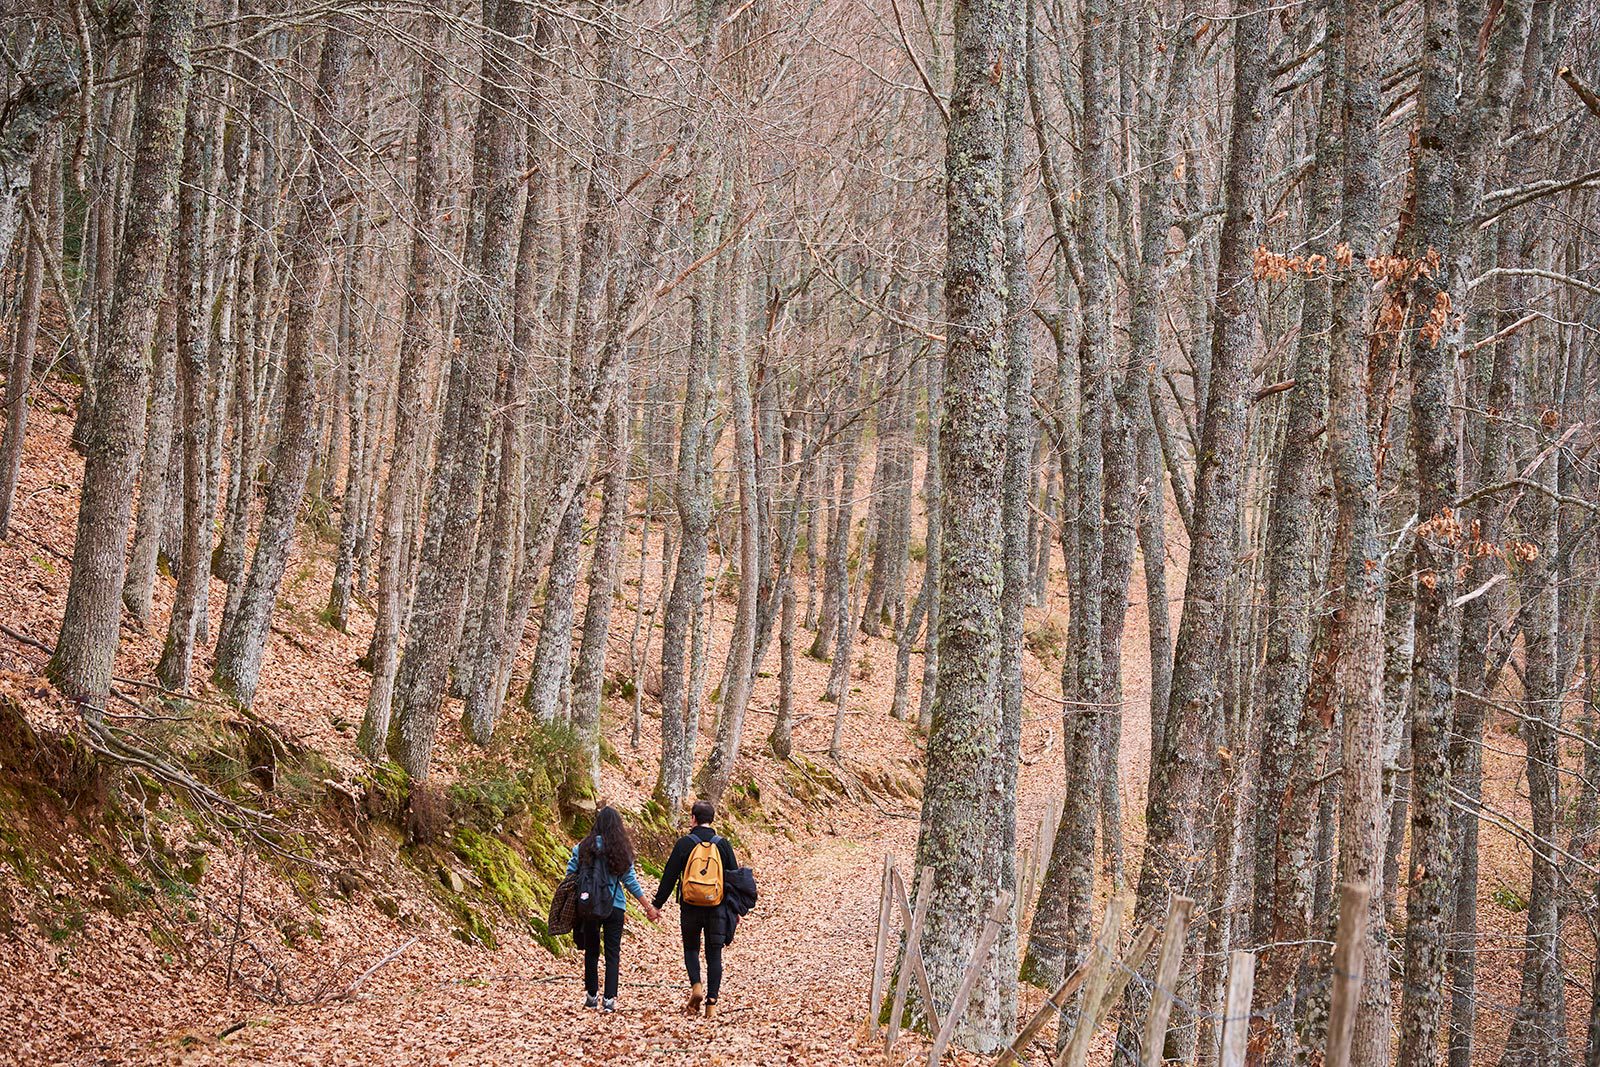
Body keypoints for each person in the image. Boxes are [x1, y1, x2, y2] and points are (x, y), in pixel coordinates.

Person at [567, 806, 659, 1011]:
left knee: (591, 951)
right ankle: (609, 1000)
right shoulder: (621, 851)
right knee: (612, 953)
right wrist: (648, 907)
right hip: (615, 906)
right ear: (618, 827)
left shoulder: (582, 847)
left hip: (589, 905)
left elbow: (570, 875)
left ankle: (591, 996)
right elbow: (630, 882)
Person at [653, 798, 739, 1018]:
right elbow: (734, 878)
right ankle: (711, 1005)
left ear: (693, 819)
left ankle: (696, 986)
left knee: (691, 949)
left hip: (690, 906)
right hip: (717, 907)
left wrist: (657, 905)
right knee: (714, 955)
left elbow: (669, 876)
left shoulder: (685, 843)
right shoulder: (723, 844)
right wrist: (735, 910)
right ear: (712, 819)